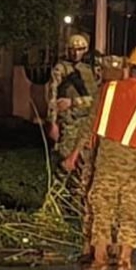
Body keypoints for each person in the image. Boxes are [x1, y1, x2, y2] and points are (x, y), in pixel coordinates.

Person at [63, 46, 136, 270]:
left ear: (128, 66)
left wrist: (74, 154)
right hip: (133, 163)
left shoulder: (107, 89)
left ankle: (100, 259)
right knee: (129, 209)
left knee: (101, 206)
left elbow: (89, 125)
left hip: (106, 157)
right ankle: (125, 260)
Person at [46, 33, 100, 255]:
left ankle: (76, 208)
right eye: (72, 49)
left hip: (85, 124)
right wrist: (52, 123)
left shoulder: (91, 72)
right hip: (68, 124)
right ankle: (56, 207)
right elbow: (51, 97)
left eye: (79, 49)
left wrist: (75, 102)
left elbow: (97, 100)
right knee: (64, 165)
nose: (75, 53)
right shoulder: (60, 69)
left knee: (83, 168)